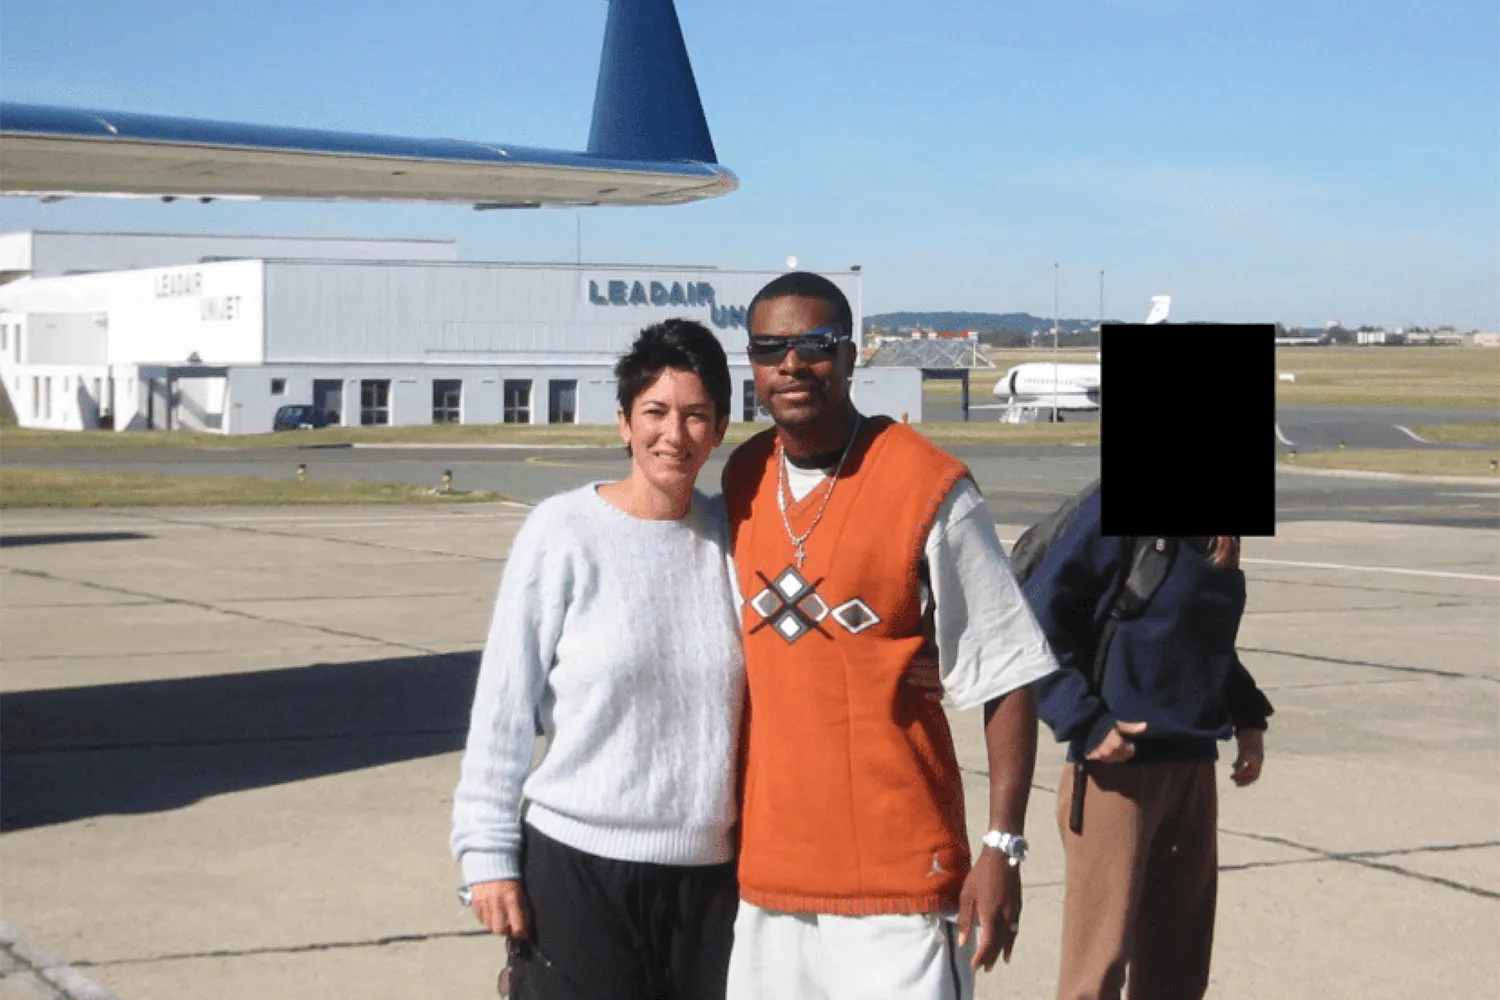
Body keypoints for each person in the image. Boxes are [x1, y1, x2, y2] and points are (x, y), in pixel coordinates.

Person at [720, 272, 1059, 1000]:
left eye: (815, 344)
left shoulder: (927, 485)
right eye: (770, 348)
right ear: (751, 362)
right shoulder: (743, 477)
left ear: (849, 356)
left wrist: (1002, 846)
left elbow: (1006, 671)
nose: (791, 364)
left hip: (899, 883)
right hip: (770, 876)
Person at [450, 318, 744, 1000]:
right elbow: (503, 707)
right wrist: (486, 853)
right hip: (577, 869)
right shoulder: (563, 532)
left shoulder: (733, 540)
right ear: (624, 423)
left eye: (696, 415)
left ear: (720, 430)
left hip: (708, 883)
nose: (674, 434)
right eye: (655, 412)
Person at [1022, 496, 1273, 1000]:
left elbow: (1201, 637)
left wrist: (1248, 716)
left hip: (1192, 767)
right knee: (1097, 970)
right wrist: (1084, 720)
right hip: (1118, 773)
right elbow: (1035, 618)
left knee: (1179, 967)